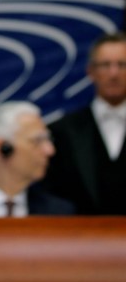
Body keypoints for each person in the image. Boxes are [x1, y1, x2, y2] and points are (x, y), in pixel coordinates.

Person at [43, 31, 126, 215]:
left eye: (122, 65)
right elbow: (50, 197)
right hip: (77, 238)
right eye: (105, 65)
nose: (114, 73)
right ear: (91, 72)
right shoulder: (61, 131)